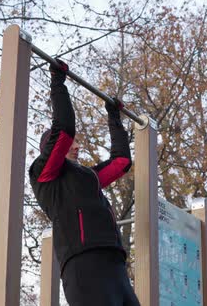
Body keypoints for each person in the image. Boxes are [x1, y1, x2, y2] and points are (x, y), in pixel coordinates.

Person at [29, 60, 140, 306]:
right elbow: (65, 129)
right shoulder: (44, 173)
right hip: (84, 265)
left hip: (115, 264)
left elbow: (121, 161)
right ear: (54, 148)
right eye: (73, 143)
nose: (78, 146)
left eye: (77, 142)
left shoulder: (88, 178)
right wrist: (58, 81)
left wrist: (114, 116)